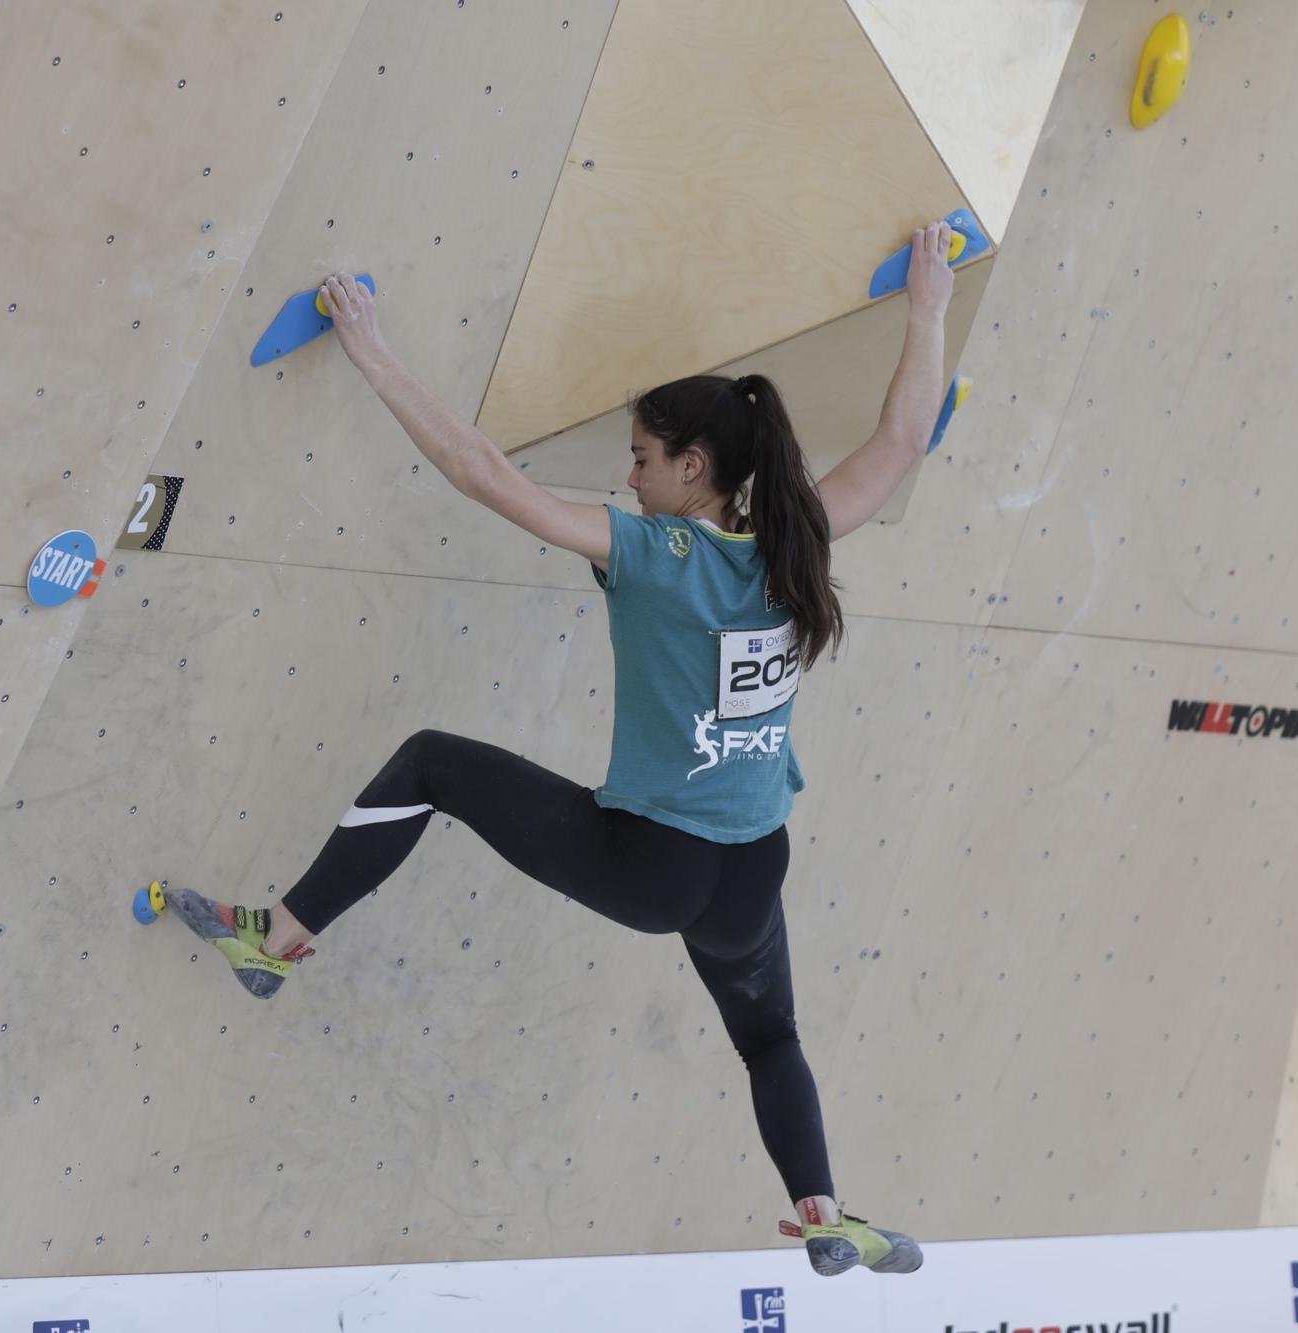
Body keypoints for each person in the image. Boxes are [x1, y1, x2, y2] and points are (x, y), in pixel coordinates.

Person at [165, 222, 959, 1278]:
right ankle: (822, 1211)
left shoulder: (658, 550)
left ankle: (279, 936)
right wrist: (929, 305)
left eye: (639, 460)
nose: (626, 480)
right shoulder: (791, 544)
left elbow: (482, 474)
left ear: (692, 465)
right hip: (750, 863)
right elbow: (899, 442)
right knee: (768, 1037)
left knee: (428, 762)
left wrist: (371, 349)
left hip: (656, 862)